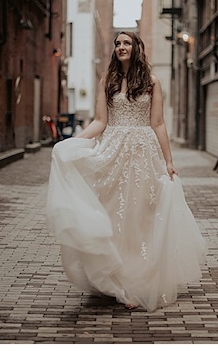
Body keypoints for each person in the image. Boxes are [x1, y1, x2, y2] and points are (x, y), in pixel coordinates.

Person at [46, 31, 206, 311]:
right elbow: (99, 121)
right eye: (118, 43)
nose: (121, 47)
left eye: (127, 43)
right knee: (112, 214)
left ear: (136, 48)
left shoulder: (151, 82)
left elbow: (158, 124)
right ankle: (115, 281)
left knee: (141, 216)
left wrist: (168, 160)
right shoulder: (106, 81)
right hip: (113, 152)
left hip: (144, 154)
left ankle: (139, 279)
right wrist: (74, 141)